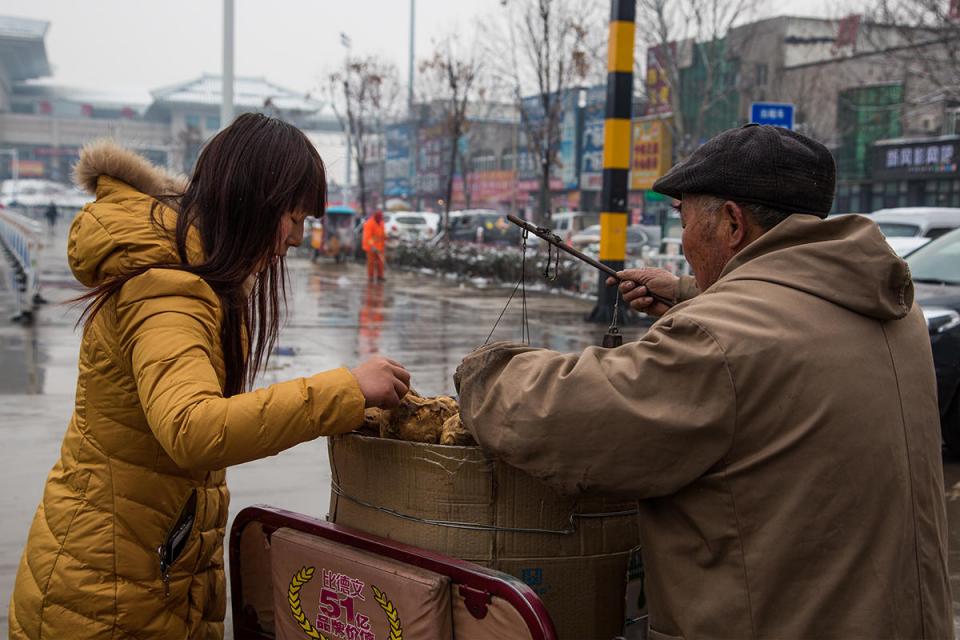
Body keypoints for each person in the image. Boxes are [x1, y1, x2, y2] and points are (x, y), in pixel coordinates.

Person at [456, 124, 951, 639]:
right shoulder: (892, 306)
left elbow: (565, 417)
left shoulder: (719, 341)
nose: (685, 240)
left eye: (685, 218)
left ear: (732, 223)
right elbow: (780, 327)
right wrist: (690, 291)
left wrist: (484, 372)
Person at [9, 114, 411, 640]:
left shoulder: (186, 274)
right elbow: (195, 429)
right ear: (252, 202)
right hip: (106, 600)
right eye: (292, 217)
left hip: (137, 577)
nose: (295, 239)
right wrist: (347, 389)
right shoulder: (168, 289)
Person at [362, 209, 386, 282]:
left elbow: (382, 234)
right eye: (379, 217)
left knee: (381, 262)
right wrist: (372, 246)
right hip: (371, 248)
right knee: (371, 262)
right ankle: (371, 276)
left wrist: (387, 237)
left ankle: (380, 276)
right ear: (375, 216)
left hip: (380, 247)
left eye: (381, 217)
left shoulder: (381, 223)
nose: (380, 219)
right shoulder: (369, 223)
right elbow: (368, 237)